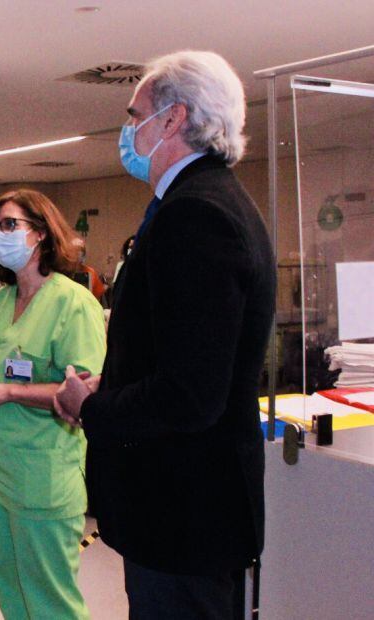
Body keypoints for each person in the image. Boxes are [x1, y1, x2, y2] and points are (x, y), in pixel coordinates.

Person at [54, 51, 275, 619]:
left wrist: (94, 407)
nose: (128, 131)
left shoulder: (195, 216)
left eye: (135, 115)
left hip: (184, 512)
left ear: (173, 119)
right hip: (190, 508)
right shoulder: (209, 202)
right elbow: (185, 354)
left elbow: (191, 396)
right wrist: (122, 377)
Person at [0, 189, 106, 619]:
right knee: (8, 585)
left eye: (10, 225)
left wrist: (6, 392)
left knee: (49, 597)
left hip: (43, 472)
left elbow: (83, 393)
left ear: (40, 233)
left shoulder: (73, 303)